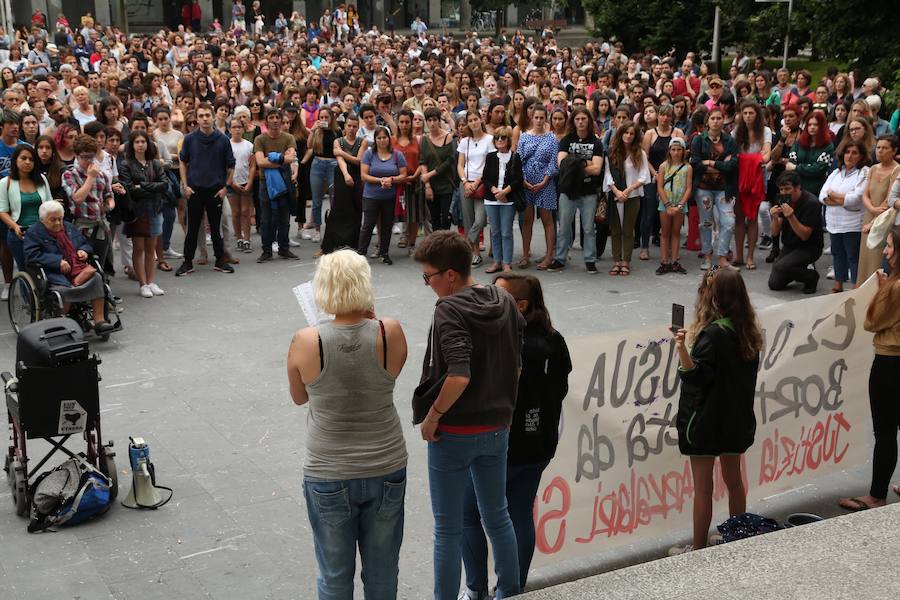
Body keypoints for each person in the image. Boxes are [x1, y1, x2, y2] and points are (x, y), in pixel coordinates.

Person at [287, 248, 408, 599]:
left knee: (335, 574)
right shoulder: (391, 331)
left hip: (328, 469)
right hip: (386, 462)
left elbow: (300, 397)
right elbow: (389, 375)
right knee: (383, 571)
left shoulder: (306, 340)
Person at [413, 230, 524, 600]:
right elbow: (517, 365)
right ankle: (508, 591)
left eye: (428, 276)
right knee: (498, 516)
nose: (427, 284)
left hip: (455, 432)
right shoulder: (504, 298)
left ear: (449, 275)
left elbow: (459, 374)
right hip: (497, 427)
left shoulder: (449, 308)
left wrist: (433, 416)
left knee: (448, 529)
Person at [460, 272, 570, 599]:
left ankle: (476, 589)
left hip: (499, 447)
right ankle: (513, 590)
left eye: (498, 295)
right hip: (540, 444)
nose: (489, 299)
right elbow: (561, 388)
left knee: (469, 515)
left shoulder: (503, 342)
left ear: (520, 305)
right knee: (520, 513)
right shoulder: (554, 339)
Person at [669, 268, 763, 555]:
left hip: (705, 423)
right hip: (736, 420)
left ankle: (697, 547)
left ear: (714, 298)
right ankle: (737, 534)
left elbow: (694, 376)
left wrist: (682, 348)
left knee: (703, 489)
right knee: (734, 482)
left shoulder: (711, 335)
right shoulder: (748, 332)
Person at [838, 226, 900, 511]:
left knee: (885, 433)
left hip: (890, 362)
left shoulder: (896, 288)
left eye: (889, 247)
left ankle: (876, 495)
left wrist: (883, 289)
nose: (885, 252)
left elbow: (871, 321)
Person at [23, 201, 113, 334]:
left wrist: (83, 251)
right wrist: (57, 261)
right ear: (42, 220)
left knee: (97, 278)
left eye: (60, 218)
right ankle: (62, 324)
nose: (58, 223)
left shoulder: (69, 227)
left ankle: (99, 320)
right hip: (53, 273)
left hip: (77, 269)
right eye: (53, 220)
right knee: (63, 290)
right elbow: (32, 255)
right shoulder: (34, 233)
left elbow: (84, 243)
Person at [176, 102, 235, 276]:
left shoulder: (223, 139)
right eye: (201, 116)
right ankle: (187, 262)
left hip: (216, 190)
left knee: (216, 228)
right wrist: (185, 185)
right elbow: (183, 162)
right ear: (197, 118)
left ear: (213, 116)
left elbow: (231, 166)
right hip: (194, 190)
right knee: (193, 228)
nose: (204, 119)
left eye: (207, 115)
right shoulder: (189, 139)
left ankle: (220, 260)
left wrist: (225, 187)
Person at [548, 106, 604, 274]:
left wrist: (575, 163)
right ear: (573, 121)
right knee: (564, 227)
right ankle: (560, 258)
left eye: (584, 119)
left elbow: (597, 169)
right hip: (568, 190)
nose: (580, 122)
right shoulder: (566, 140)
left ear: (589, 121)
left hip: (589, 191)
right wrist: (585, 163)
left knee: (588, 228)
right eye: (577, 119)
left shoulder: (596, 142)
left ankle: (590, 260)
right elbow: (562, 166)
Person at [118, 131, 168, 298]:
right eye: (137, 142)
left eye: (143, 141)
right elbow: (130, 189)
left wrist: (143, 186)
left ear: (148, 144)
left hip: (154, 208)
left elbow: (164, 185)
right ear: (132, 145)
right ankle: (142, 283)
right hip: (137, 211)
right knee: (138, 249)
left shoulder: (155, 163)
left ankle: (151, 281)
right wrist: (149, 187)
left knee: (151, 248)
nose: (140, 144)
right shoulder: (126, 164)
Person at [690, 107, 739, 271]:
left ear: (723, 120)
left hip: (724, 189)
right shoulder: (699, 140)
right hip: (703, 188)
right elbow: (695, 164)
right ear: (707, 121)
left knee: (729, 221)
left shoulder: (730, 141)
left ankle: (723, 256)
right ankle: (707, 255)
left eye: (719, 118)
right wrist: (721, 165)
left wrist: (710, 163)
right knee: (706, 222)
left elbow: (732, 165)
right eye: (713, 118)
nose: (716, 121)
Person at [818, 140, 870, 293]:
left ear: (861, 156)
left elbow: (857, 198)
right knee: (837, 253)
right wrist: (842, 200)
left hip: (853, 223)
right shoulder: (836, 172)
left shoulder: (864, 172)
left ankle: (856, 287)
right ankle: (838, 284)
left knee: (853, 256)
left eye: (854, 153)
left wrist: (833, 196)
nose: (850, 156)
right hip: (834, 222)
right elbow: (822, 196)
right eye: (847, 152)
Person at [604, 122, 650, 277]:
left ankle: (626, 261)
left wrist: (628, 190)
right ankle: (617, 260)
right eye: (626, 133)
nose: (628, 136)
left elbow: (644, 176)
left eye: (632, 133)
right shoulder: (611, 152)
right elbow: (607, 175)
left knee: (628, 229)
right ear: (621, 133)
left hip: (633, 196)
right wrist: (617, 191)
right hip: (616, 195)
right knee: (615, 229)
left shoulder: (640, 153)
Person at [62, 134, 114, 269]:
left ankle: (102, 287)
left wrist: (109, 206)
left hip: (100, 226)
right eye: (84, 157)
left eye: (91, 156)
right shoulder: (69, 175)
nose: (88, 160)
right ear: (76, 156)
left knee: (101, 266)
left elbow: (109, 196)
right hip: (81, 228)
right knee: (82, 266)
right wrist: (90, 177)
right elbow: (77, 198)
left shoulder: (101, 175)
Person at [768, 171, 824, 293]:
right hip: (790, 245)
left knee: (781, 267)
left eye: (787, 189)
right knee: (774, 284)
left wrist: (791, 217)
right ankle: (797, 269)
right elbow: (775, 233)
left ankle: (811, 276)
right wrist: (775, 217)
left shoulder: (811, 203)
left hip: (809, 247)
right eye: (781, 189)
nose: (784, 193)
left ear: (798, 187)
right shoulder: (782, 200)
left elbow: (805, 236)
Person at [255, 106, 299, 263]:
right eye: (271, 117)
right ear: (266, 121)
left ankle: (284, 249)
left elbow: (290, 158)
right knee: (266, 219)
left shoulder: (289, 138)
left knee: (284, 217)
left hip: (285, 181)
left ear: (281, 120)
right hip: (265, 183)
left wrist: (272, 158)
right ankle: (266, 251)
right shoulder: (260, 139)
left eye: (277, 118)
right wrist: (281, 159)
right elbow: (260, 162)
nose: (274, 121)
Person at [517, 106, 558, 270]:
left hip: (545, 183)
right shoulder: (524, 137)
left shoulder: (552, 138)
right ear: (531, 118)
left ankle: (549, 256)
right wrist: (523, 180)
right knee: (527, 220)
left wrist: (545, 181)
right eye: (537, 117)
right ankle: (525, 254)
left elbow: (554, 162)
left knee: (547, 220)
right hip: (526, 183)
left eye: (542, 118)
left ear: (545, 118)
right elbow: (518, 160)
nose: (539, 121)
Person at [358, 126, 406, 265]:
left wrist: (391, 180)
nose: (382, 140)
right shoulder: (369, 154)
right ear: (375, 140)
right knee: (367, 225)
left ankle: (384, 252)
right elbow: (364, 175)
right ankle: (361, 253)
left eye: (384, 137)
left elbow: (403, 174)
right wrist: (380, 180)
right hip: (371, 196)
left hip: (389, 197)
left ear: (389, 139)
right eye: (379, 138)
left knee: (386, 225)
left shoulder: (397, 155)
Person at [0, 145, 53, 269]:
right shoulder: (4, 183)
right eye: (23, 158)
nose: (28, 162)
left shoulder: (41, 179)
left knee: (47, 269)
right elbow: (2, 210)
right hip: (19, 235)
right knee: (27, 270)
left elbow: (49, 203)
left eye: (31, 159)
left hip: (43, 233)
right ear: (15, 160)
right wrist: (15, 226)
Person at [858, 136, 900, 285]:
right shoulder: (873, 168)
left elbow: (890, 198)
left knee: (878, 258)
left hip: (884, 219)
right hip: (869, 215)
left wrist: (877, 213)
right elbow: (865, 194)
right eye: (878, 147)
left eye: (885, 148)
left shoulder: (897, 169)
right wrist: (871, 208)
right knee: (865, 258)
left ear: (894, 151)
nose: (880, 151)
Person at [481, 126, 522, 274]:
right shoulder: (491, 157)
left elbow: (518, 179)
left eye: (503, 138)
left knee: (506, 232)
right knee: (495, 231)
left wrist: (504, 192)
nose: (499, 140)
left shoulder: (515, 157)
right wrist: (495, 191)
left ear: (509, 139)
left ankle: (507, 263)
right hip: (491, 200)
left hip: (508, 200)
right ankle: (497, 261)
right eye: (497, 138)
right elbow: (485, 178)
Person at [457, 111, 493, 266]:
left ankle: (465, 244)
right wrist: (465, 182)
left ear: (481, 120)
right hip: (466, 183)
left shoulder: (490, 139)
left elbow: (490, 164)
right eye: (470, 120)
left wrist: (477, 183)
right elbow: (460, 164)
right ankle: (475, 253)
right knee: (469, 220)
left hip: (482, 184)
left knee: (480, 219)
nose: (473, 123)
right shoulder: (465, 141)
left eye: (475, 119)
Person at [299, 107, 339, 244]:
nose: (323, 120)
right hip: (317, 164)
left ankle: (333, 228)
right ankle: (317, 230)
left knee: (334, 199)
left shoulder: (337, 131)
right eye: (321, 117)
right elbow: (309, 145)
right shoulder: (317, 131)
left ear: (331, 118)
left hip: (333, 164)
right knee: (316, 200)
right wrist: (313, 130)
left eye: (326, 117)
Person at [655, 138, 692, 274]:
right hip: (666, 203)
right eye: (673, 149)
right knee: (665, 233)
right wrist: (668, 205)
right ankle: (664, 261)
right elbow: (659, 187)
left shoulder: (688, 168)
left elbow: (688, 188)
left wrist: (680, 205)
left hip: (680, 204)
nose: (676, 152)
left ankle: (675, 260)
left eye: (679, 150)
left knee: (676, 232)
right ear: (669, 151)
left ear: (683, 151)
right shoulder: (663, 166)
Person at [420, 107, 457, 232]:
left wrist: (429, 175)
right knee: (434, 218)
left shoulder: (448, 137)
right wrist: (427, 185)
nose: (432, 123)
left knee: (445, 219)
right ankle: (436, 247)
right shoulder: (424, 139)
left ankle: (446, 247)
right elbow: (422, 162)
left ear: (439, 120)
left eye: (435, 120)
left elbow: (448, 162)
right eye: (429, 120)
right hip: (431, 185)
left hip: (446, 184)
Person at [227, 117, 255, 254]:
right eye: (234, 127)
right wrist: (231, 182)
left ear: (243, 129)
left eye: (239, 127)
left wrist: (249, 181)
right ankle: (239, 237)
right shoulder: (226, 145)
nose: (237, 129)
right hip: (232, 182)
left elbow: (252, 165)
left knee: (245, 211)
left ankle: (247, 239)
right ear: (229, 129)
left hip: (245, 181)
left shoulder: (249, 145)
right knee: (235, 212)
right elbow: (224, 166)